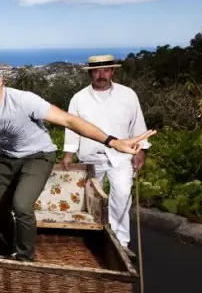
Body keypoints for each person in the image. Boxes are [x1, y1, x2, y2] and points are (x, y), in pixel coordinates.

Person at [0, 61, 156, 262]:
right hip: (8, 158)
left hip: (38, 155)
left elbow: (69, 120)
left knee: (21, 204)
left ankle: (25, 256)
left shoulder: (23, 100)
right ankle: (12, 245)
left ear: (1, 81)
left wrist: (113, 141)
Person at [62, 55, 150, 258]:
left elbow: (137, 124)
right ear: (90, 73)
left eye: (106, 70)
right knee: (91, 200)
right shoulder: (78, 98)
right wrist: (68, 154)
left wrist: (141, 151)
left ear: (113, 72)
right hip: (90, 156)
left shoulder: (128, 95)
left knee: (122, 196)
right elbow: (72, 128)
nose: (101, 75)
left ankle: (121, 243)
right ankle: (93, 241)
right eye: (97, 71)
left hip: (121, 157)